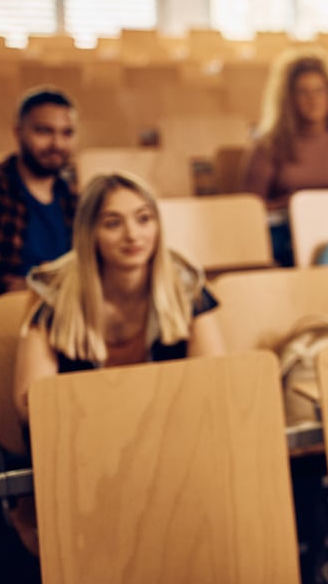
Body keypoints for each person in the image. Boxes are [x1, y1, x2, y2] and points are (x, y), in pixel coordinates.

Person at [14, 171, 225, 422]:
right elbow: (31, 407)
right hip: (85, 436)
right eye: (113, 223)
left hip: (173, 429)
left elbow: (214, 385)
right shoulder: (54, 295)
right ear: (90, 233)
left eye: (144, 219)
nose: (132, 235)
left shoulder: (186, 287)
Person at [243, 49, 328, 266]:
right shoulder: (269, 144)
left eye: (320, 90)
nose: (313, 100)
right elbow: (250, 208)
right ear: (289, 99)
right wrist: (296, 203)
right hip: (286, 234)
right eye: (303, 92)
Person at [0, 87, 78, 321]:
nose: (57, 144)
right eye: (44, 131)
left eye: (67, 133)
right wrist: (19, 286)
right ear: (18, 132)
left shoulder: (74, 201)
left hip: (64, 324)